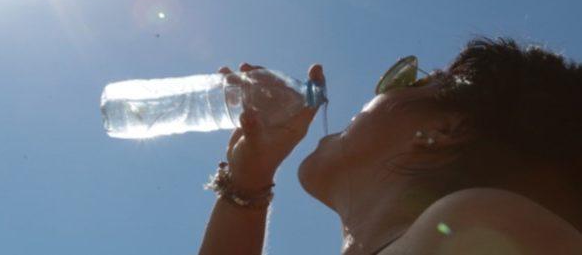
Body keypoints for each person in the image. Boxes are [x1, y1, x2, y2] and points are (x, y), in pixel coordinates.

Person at [198, 37, 582, 254]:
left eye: (408, 81)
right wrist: (247, 184)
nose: (374, 92)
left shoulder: (479, 225)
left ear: (447, 129)